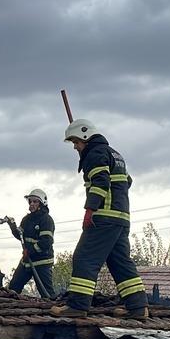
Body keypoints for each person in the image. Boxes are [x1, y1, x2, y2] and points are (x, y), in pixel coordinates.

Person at [49, 119, 148, 319]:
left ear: (86, 137)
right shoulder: (115, 154)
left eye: (76, 142)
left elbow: (101, 182)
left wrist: (90, 209)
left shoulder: (95, 154)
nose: (75, 147)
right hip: (121, 218)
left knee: (84, 258)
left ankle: (77, 306)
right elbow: (127, 181)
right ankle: (138, 307)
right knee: (119, 262)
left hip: (103, 217)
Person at [4, 188, 56, 298]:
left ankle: (53, 310)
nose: (31, 204)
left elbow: (46, 242)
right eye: (30, 201)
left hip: (42, 262)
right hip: (26, 262)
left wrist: (30, 251)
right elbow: (21, 236)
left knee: (47, 294)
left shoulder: (46, 220)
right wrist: (12, 225)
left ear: (42, 203)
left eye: (35, 201)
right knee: (13, 289)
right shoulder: (26, 219)